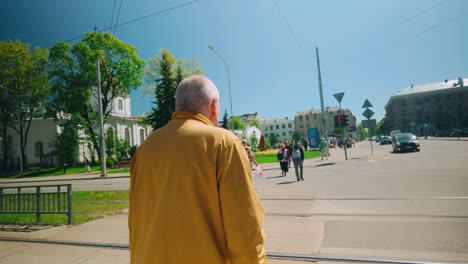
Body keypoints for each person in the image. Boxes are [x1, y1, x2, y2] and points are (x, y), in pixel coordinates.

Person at [129, 75, 268, 264]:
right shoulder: (224, 144)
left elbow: (136, 225)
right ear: (214, 105)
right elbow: (244, 232)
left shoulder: (144, 149)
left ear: (178, 105)